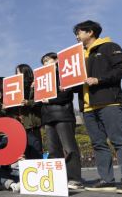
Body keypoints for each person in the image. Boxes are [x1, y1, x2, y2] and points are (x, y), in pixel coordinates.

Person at [73, 20, 122, 194]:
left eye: (79, 32)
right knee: (98, 144)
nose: (77, 36)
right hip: (87, 106)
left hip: (109, 101)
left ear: (90, 32)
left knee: (118, 140)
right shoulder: (78, 56)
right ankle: (106, 180)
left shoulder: (109, 46)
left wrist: (99, 79)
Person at [40, 52, 83, 190]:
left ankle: (74, 179)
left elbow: (66, 95)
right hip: (48, 118)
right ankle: (56, 179)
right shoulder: (42, 79)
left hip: (63, 115)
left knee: (69, 148)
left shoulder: (64, 74)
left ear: (57, 60)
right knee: (53, 150)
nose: (46, 63)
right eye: (44, 62)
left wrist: (50, 99)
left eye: (48, 60)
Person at [15, 64, 43, 159]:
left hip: (32, 123)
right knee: (25, 149)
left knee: (36, 147)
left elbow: (40, 101)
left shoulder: (35, 83)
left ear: (25, 72)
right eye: (16, 72)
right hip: (21, 123)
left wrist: (28, 102)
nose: (17, 74)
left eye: (19, 72)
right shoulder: (16, 88)